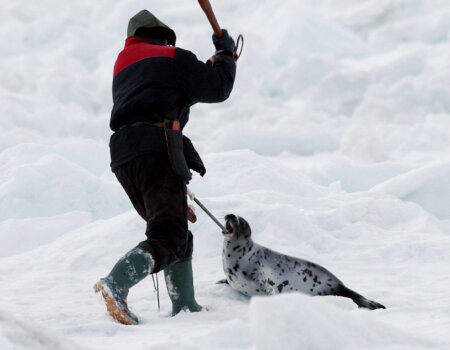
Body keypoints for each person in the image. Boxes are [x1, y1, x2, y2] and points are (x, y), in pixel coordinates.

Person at [93, 9, 236, 325]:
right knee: (168, 235)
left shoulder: (124, 66)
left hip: (124, 155)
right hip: (155, 148)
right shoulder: (172, 58)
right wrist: (225, 55)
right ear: (164, 37)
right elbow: (216, 87)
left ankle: (185, 307)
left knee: (174, 232)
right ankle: (116, 283)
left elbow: (168, 91)